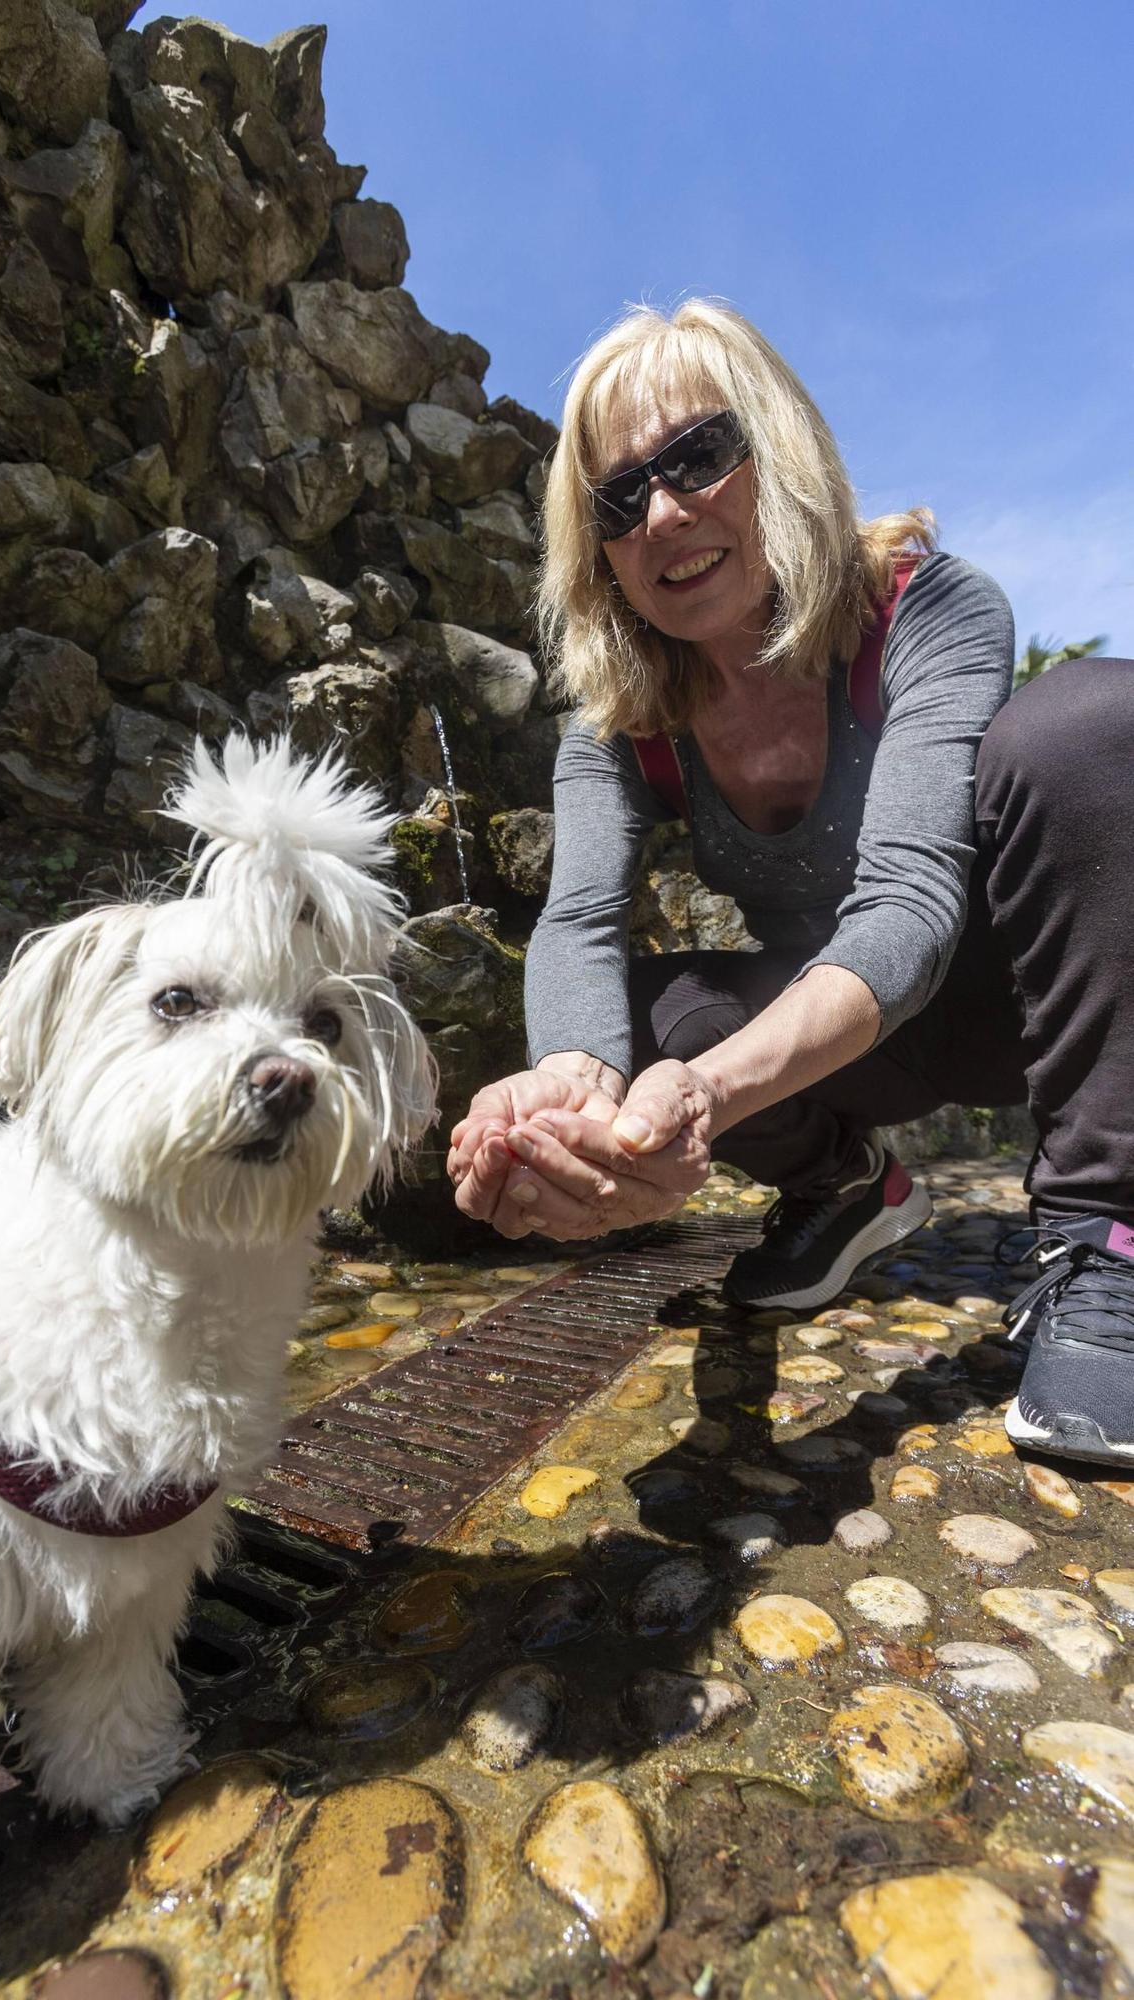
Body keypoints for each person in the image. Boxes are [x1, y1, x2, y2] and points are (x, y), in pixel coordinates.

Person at [447, 299, 1134, 1470]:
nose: (664, 511)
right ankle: (849, 1186)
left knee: (1084, 724)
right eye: (619, 500)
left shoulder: (927, 609)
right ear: (599, 550)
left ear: (779, 448)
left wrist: (702, 1097)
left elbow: (913, 900)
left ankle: (1105, 1236)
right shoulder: (620, 726)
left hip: (1024, 999)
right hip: (857, 1044)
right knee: (640, 1016)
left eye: (698, 455)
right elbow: (577, 921)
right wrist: (572, 1093)